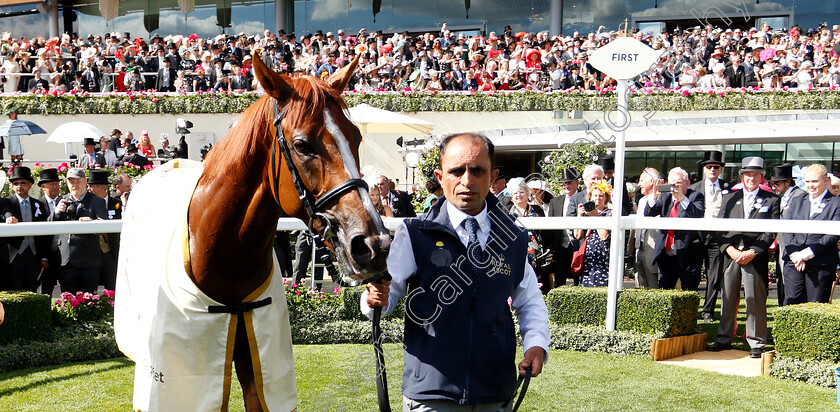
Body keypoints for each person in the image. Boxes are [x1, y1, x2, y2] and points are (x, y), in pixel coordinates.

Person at [362, 133, 549, 411]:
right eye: (456, 171)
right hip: (431, 394)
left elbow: (530, 301)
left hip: (495, 390)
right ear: (440, 175)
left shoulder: (513, 237)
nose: (467, 180)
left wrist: (537, 345)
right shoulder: (414, 233)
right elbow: (384, 301)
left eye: (477, 171)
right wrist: (373, 298)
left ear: (493, 176)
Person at [709, 156, 779, 358]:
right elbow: (719, 229)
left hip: (754, 257)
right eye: (748, 174)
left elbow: (770, 231)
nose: (752, 178)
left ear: (761, 177)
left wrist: (753, 251)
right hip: (731, 256)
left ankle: (756, 342)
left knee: (755, 299)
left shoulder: (772, 200)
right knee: (728, 297)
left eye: (756, 174)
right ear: (742, 176)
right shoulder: (729, 198)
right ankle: (724, 338)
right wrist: (729, 249)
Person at [781, 163, 840, 304]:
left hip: (821, 263)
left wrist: (805, 254)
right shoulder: (796, 201)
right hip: (794, 262)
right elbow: (786, 229)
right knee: (791, 306)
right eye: (807, 181)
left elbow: (832, 235)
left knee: (815, 308)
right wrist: (795, 254)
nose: (810, 185)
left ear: (826, 181)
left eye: (815, 181)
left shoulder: (837, 203)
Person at [690, 150, 733, 322]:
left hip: (717, 237)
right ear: (704, 169)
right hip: (697, 236)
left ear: (721, 169)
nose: (713, 169)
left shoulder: (728, 187)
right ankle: (691, 308)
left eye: (716, 167)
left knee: (714, 275)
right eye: (709, 167)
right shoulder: (694, 188)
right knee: (692, 274)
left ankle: (707, 310)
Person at [646, 167, 705, 290]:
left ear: (687, 183)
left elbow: (697, 214)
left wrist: (682, 198)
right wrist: (654, 196)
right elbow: (648, 213)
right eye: (671, 183)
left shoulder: (695, 196)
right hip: (666, 255)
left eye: (678, 183)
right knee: (664, 293)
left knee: (688, 292)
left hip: (687, 255)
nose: (674, 186)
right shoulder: (665, 198)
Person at [50, 168, 108, 294]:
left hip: (88, 261)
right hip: (66, 261)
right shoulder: (61, 200)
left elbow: (104, 226)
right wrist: (56, 213)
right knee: (68, 302)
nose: (74, 185)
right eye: (71, 182)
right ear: (66, 183)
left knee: (89, 302)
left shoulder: (97, 201)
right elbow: (49, 227)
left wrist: (91, 222)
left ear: (85, 182)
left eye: (78, 181)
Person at [3, 166, 50, 292]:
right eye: (15, 183)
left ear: (29, 185)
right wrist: (9, 218)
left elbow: (45, 233)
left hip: (34, 254)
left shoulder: (38, 204)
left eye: (23, 183)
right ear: (12, 186)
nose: (19, 186)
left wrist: (44, 257)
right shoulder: (7, 202)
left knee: (32, 289)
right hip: (14, 254)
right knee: (14, 290)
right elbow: (5, 213)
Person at [770, 163, 808, 307]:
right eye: (772, 184)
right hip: (782, 245)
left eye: (777, 183)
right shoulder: (782, 197)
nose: (774, 187)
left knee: (791, 284)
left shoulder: (800, 196)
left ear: (788, 182)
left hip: (794, 247)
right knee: (782, 280)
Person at [508, 177, 552, 293]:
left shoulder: (538, 210)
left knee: (540, 287)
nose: (519, 195)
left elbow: (545, 231)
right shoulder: (509, 214)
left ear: (527, 194)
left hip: (538, 256)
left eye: (522, 192)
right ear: (512, 197)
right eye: (515, 193)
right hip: (519, 254)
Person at [574, 179, 612, 287]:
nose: (597, 199)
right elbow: (577, 235)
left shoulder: (609, 213)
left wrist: (596, 216)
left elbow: (604, 236)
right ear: (590, 197)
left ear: (605, 198)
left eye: (601, 196)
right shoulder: (587, 213)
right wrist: (580, 215)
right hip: (589, 256)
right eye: (595, 196)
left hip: (603, 256)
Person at [87, 169, 121, 290]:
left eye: (92, 186)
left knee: (112, 283)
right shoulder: (87, 203)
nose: (89, 189)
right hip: (92, 250)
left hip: (111, 250)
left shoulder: (116, 203)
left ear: (102, 187)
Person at [547, 167, 578, 287]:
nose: (566, 186)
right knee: (559, 280)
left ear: (577, 183)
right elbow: (550, 225)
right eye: (564, 184)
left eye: (569, 183)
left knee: (578, 279)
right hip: (560, 247)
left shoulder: (583, 198)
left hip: (578, 246)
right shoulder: (555, 202)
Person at [631, 167, 661, 288]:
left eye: (642, 180)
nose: (639, 184)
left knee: (654, 288)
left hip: (653, 250)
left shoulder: (662, 199)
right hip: (640, 249)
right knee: (640, 286)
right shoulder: (642, 201)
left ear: (652, 182)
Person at [37, 168, 62, 295]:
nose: (55, 187)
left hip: (63, 253)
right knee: (45, 290)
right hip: (45, 254)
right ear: (43, 186)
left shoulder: (65, 202)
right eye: (52, 184)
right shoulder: (37, 204)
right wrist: (43, 256)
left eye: (57, 184)